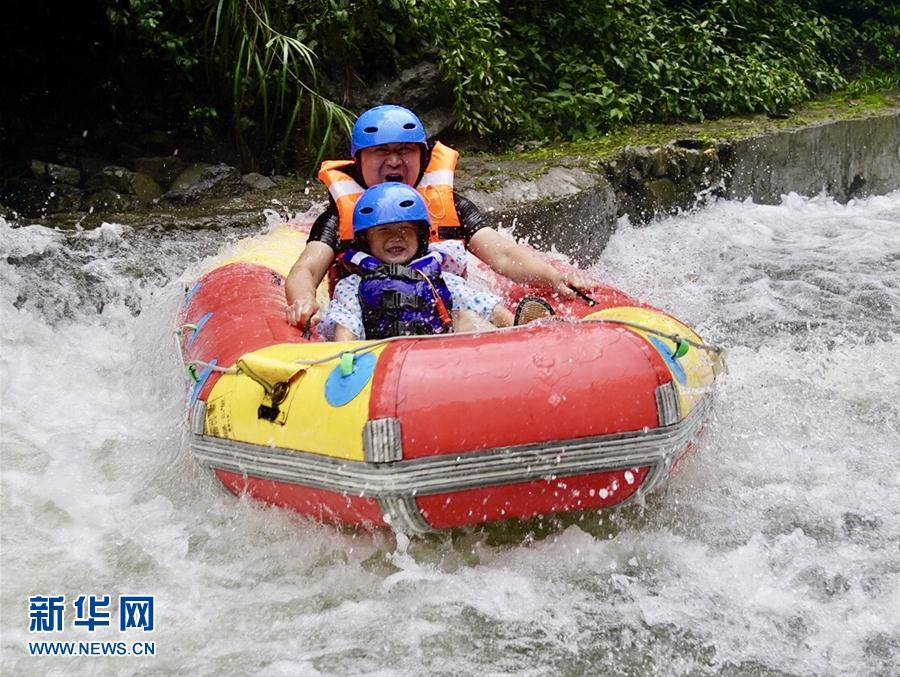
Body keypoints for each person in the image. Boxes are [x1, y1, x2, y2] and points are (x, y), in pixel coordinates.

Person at [284, 104, 595, 330]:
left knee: (475, 312)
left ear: (423, 156)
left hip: (446, 308)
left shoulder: (451, 207)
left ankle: (520, 331)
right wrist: (302, 300)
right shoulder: (339, 218)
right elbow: (307, 269)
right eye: (381, 152)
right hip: (368, 315)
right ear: (358, 159)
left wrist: (556, 279)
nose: (394, 161)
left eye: (405, 150)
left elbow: (503, 254)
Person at [321, 183, 514, 341]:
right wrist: (344, 358)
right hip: (381, 359)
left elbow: (487, 307)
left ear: (420, 237)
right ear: (365, 240)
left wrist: (519, 327)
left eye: (405, 228)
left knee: (465, 316)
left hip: (440, 357)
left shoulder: (440, 278)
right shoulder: (352, 285)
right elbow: (346, 327)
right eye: (383, 230)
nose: (396, 237)